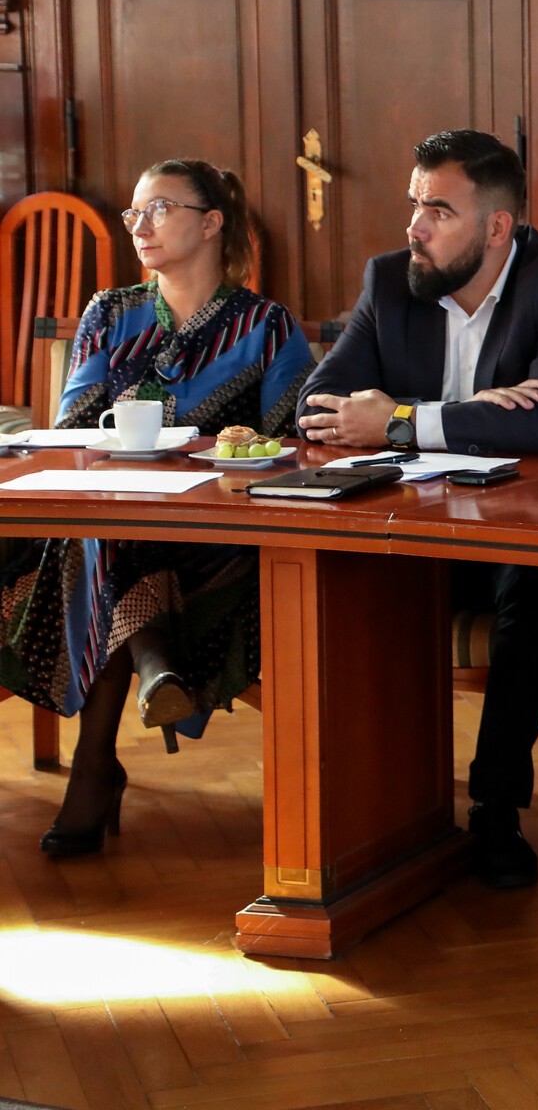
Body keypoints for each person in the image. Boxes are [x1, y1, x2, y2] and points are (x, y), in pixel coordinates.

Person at [297, 129, 538, 889]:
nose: (415, 227)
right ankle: (376, 812)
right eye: (415, 205)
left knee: (535, 591)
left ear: (497, 227)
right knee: (334, 574)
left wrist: (403, 420)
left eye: (438, 211)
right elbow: (315, 407)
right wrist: (476, 412)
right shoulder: (391, 282)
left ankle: (495, 807)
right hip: (422, 527)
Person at [0, 159, 314, 856]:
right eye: (134, 213)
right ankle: (148, 671)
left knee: (108, 544)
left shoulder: (265, 325)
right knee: (107, 537)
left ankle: (98, 764)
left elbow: (288, 445)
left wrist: (221, 451)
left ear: (211, 223)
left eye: (160, 209)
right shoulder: (110, 313)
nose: (140, 226)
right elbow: (72, 427)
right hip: (106, 525)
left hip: (215, 543)